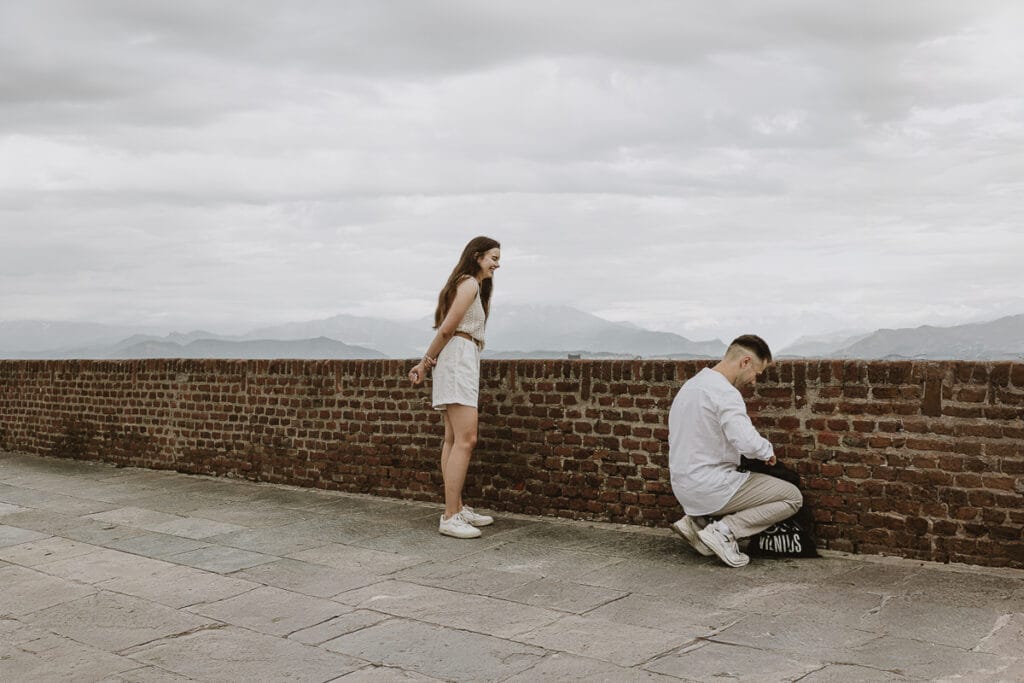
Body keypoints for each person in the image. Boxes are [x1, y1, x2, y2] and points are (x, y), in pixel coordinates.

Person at [668, 334, 802, 567]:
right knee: (791, 497)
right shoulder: (725, 392)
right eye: (756, 373)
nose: (753, 381)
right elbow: (747, 443)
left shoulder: (691, 386)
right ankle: (724, 531)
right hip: (710, 487)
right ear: (745, 362)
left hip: (682, 487)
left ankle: (696, 522)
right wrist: (767, 452)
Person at [408, 236, 501, 539]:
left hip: (459, 357)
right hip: (458, 356)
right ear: (477, 257)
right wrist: (424, 363)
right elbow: (448, 327)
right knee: (466, 438)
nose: (497, 264)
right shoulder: (470, 284)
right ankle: (450, 516)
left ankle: (456, 507)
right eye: (493, 258)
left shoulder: (464, 283)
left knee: (452, 438)